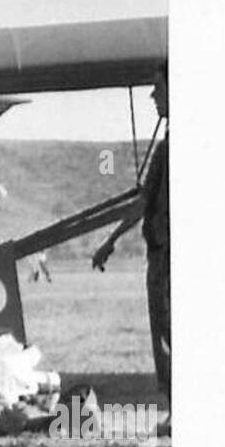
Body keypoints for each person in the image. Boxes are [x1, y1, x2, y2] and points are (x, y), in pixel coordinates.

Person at [92, 62, 169, 410]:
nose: (154, 95)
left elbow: (143, 203)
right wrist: (113, 239)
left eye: (159, 87)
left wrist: (111, 240)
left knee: (170, 332)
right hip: (161, 254)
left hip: (168, 258)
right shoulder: (167, 146)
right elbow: (143, 202)